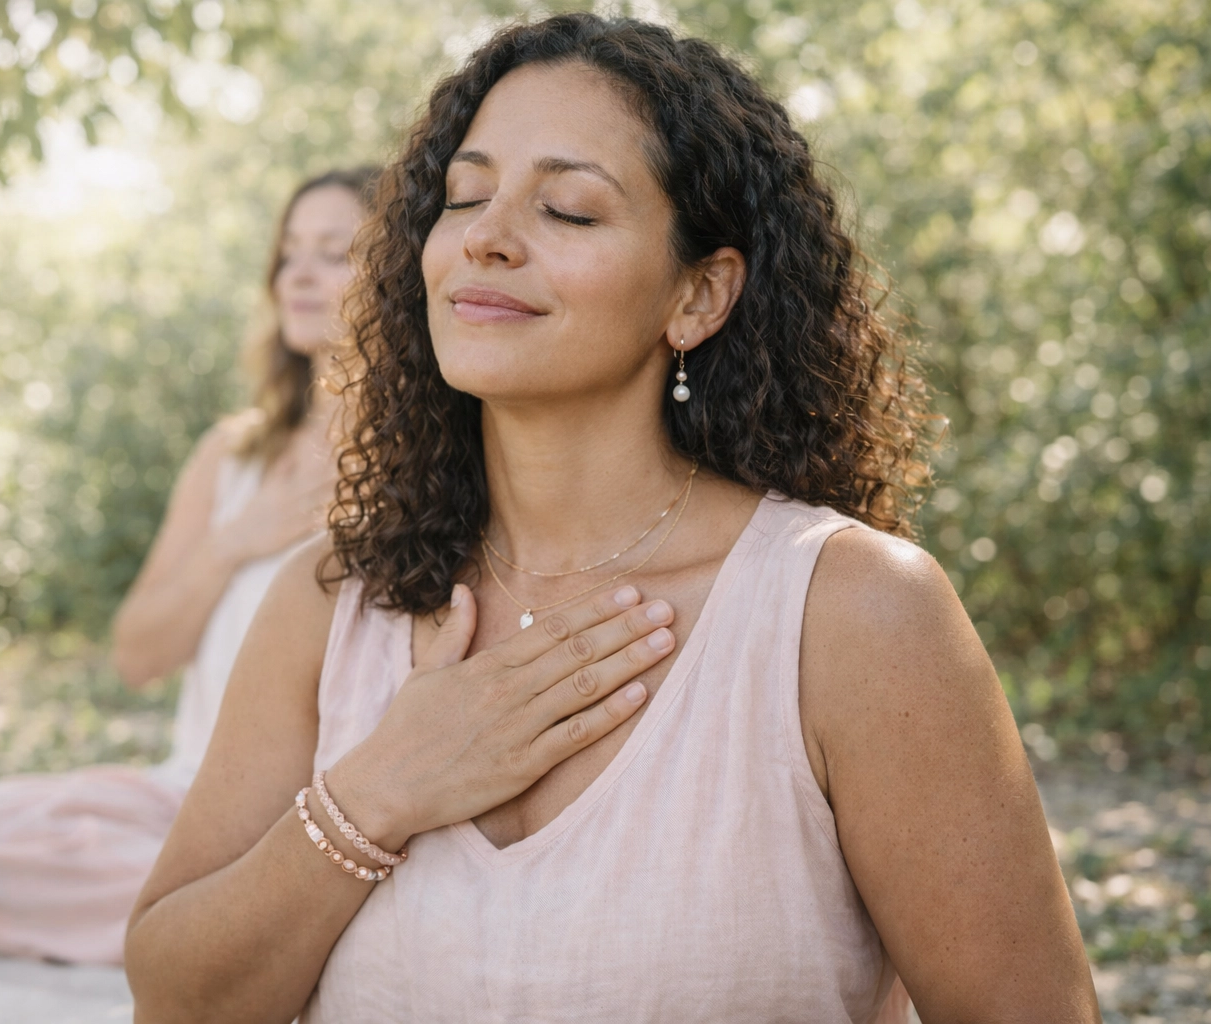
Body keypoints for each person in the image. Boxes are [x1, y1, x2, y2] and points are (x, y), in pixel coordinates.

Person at [124, 14, 1100, 1024]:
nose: (487, 237)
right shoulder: (330, 602)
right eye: (464, 196)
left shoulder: (851, 614)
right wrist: (373, 795)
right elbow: (173, 999)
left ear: (700, 294)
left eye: (571, 211)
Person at [0, 166, 378, 966]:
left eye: (335, 251)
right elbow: (138, 655)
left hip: (334, 810)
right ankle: (261, 923)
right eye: (288, 253)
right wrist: (241, 536)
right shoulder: (232, 454)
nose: (299, 273)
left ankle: (250, 913)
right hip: (192, 799)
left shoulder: (427, 460)